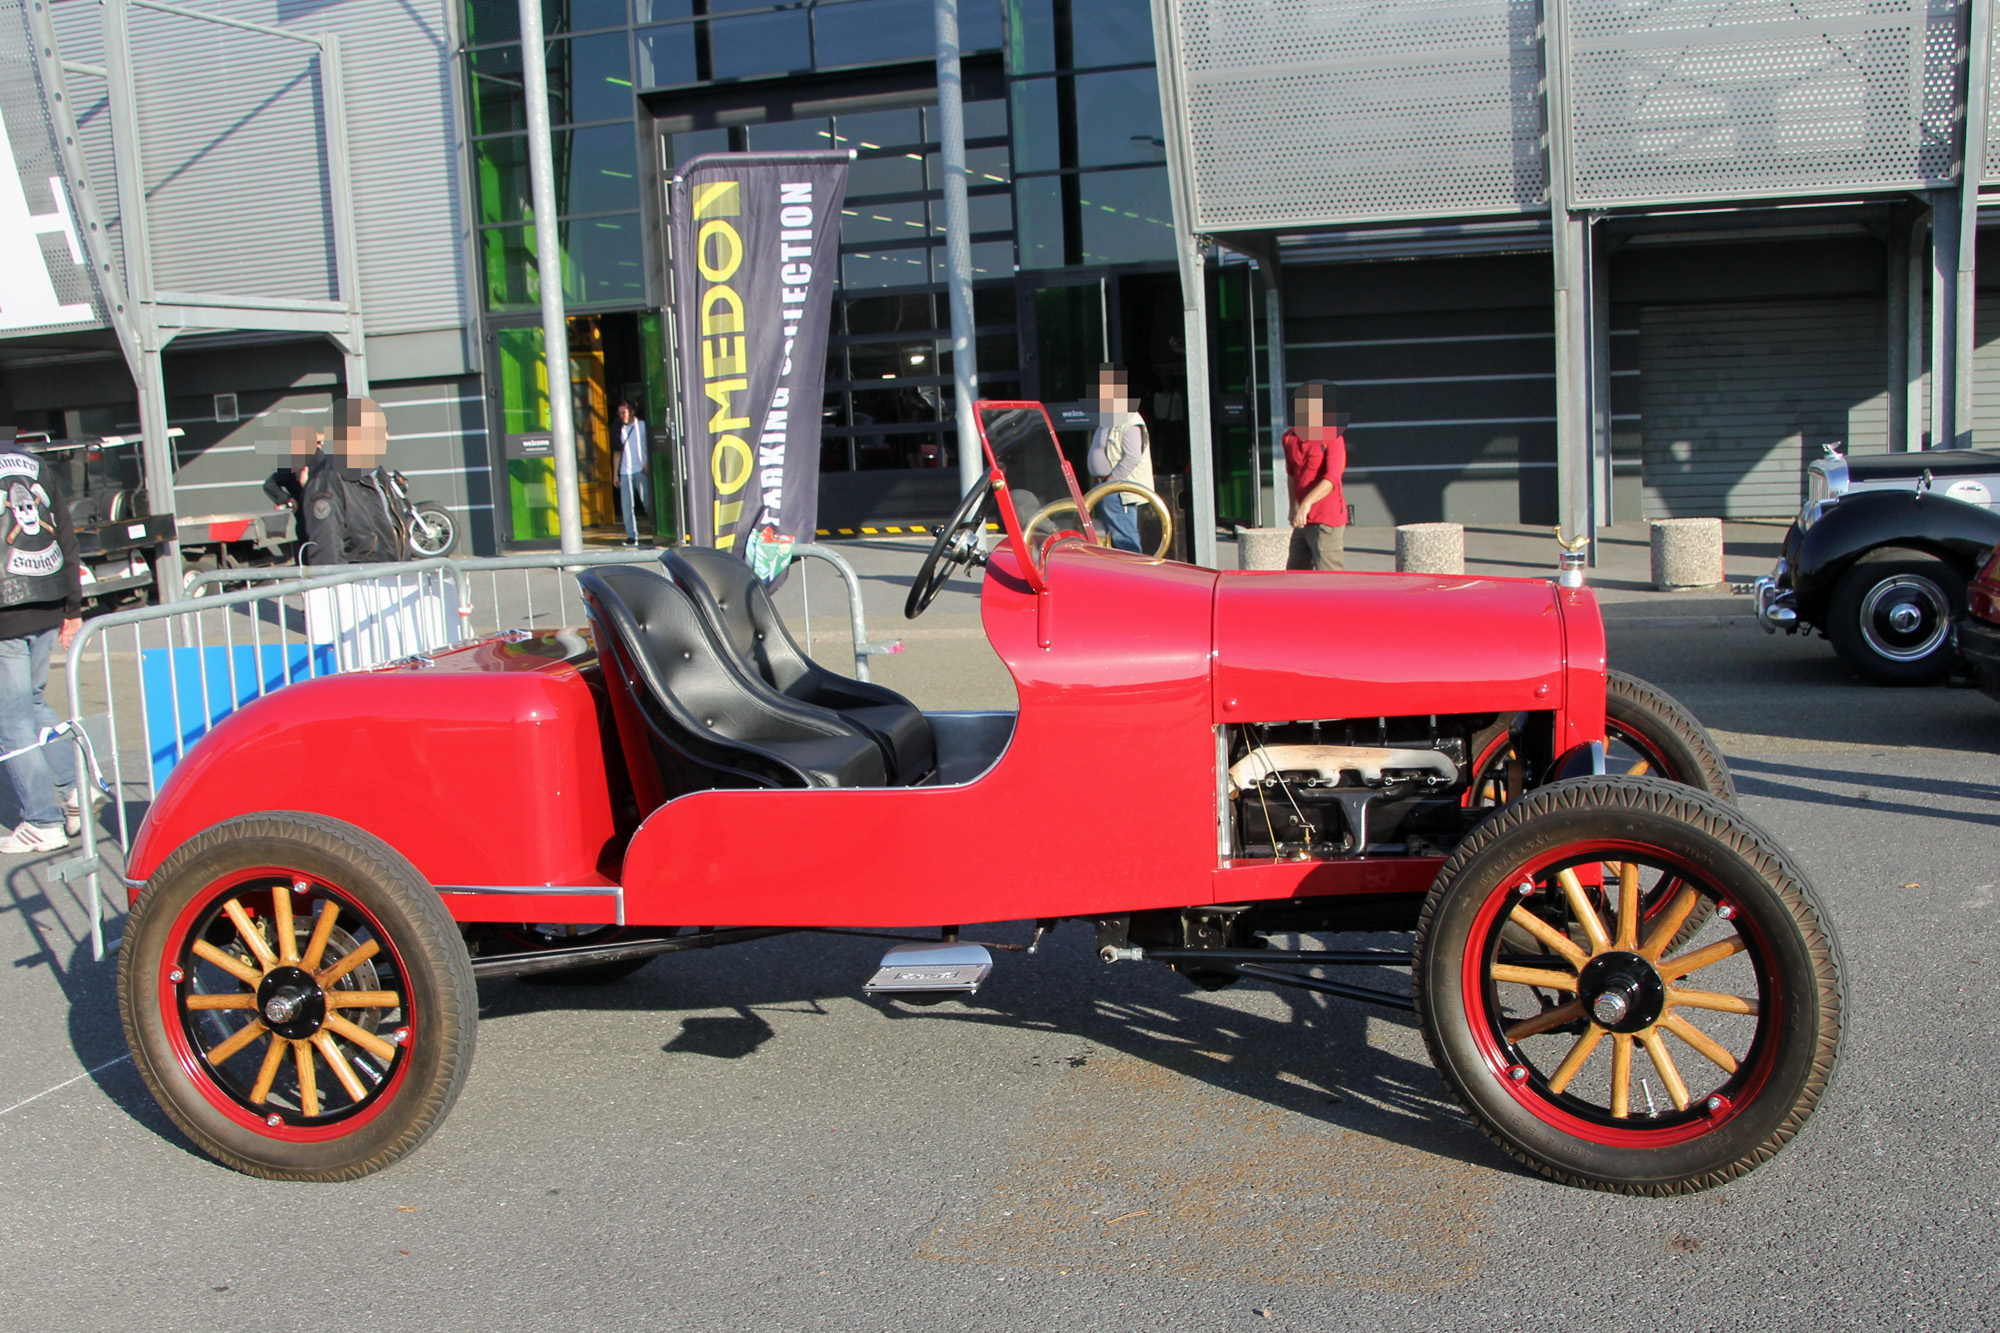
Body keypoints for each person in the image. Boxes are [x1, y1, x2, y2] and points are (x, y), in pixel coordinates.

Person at [0, 427, 86, 853]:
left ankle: (41, 820)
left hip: (5, 614)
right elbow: (65, 534)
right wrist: (73, 606)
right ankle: (74, 790)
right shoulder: (35, 463)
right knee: (32, 701)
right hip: (47, 596)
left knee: (9, 721)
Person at [300, 397, 405, 565]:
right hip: (361, 584)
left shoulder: (377, 474)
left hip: (391, 579)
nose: (387, 437)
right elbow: (327, 545)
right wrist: (335, 586)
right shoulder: (329, 478)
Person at [1086, 363, 1153, 553]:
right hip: (1104, 488)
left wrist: (1111, 482)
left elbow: (1132, 456)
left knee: (1125, 541)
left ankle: (1135, 579)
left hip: (1117, 491)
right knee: (1114, 541)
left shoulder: (1130, 419)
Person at [1283, 380, 1348, 571]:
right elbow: (1292, 475)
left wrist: (1306, 503)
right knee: (1295, 573)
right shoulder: (1289, 438)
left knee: (1329, 579)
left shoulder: (1333, 437)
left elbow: (1332, 479)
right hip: (1302, 519)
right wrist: (1293, 506)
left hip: (1327, 519)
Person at [615, 399, 650, 547]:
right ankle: (631, 535)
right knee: (627, 506)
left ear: (632, 412)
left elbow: (650, 444)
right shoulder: (618, 429)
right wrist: (614, 473)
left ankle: (657, 531)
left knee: (648, 502)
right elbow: (617, 452)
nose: (623, 415)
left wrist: (648, 463)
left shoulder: (642, 426)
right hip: (625, 471)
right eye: (621, 412)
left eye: (626, 411)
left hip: (641, 469)